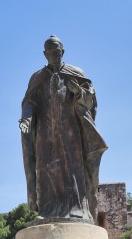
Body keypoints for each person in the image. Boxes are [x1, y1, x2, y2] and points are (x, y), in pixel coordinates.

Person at [19, 36, 107, 223]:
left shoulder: (76, 73)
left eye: (56, 51)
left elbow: (90, 101)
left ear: (62, 52)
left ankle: (78, 211)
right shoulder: (38, 77)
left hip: (71, 131)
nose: (53, 55)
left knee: (73, 168)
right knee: (45, 169)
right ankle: (47, 210)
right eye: (49, 52)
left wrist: (79, 93)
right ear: (44, 54)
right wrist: (26, 118)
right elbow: (29, 102)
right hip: (45, 132)